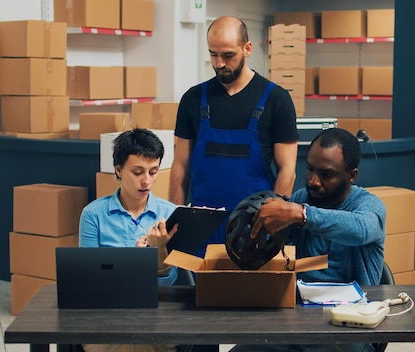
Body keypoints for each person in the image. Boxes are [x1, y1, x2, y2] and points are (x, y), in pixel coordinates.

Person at [230, 128, 387, 352]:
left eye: (326, 174)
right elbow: (277, 241)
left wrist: (302, 214)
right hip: (300, 321)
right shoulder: (303, 198)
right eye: (310, 170)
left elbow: (360, 230)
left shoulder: (369, 206)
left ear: (351, 175)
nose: (313, 181)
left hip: (351, 326)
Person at [169, 15, 299, 257]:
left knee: (252, 295)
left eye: (228, 55)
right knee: (198, 294)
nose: (219, 63)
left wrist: (270, 225)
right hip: (201, 230)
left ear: (247, 48)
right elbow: (181, 164)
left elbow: (287, 170)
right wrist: (175, 220)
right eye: (213, 55)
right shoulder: (193, 99)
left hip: (253, 230)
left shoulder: (276, 100)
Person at [79, 128, 178, 352]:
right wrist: (135, 261)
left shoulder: (170, 214)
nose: (147, 181)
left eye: (153, 172)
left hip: (157, 312)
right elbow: (87, 280)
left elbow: (169, 287)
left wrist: (159, 255)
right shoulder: (93, 214)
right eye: (138, 172)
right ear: (118, 170)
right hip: (107, 313)